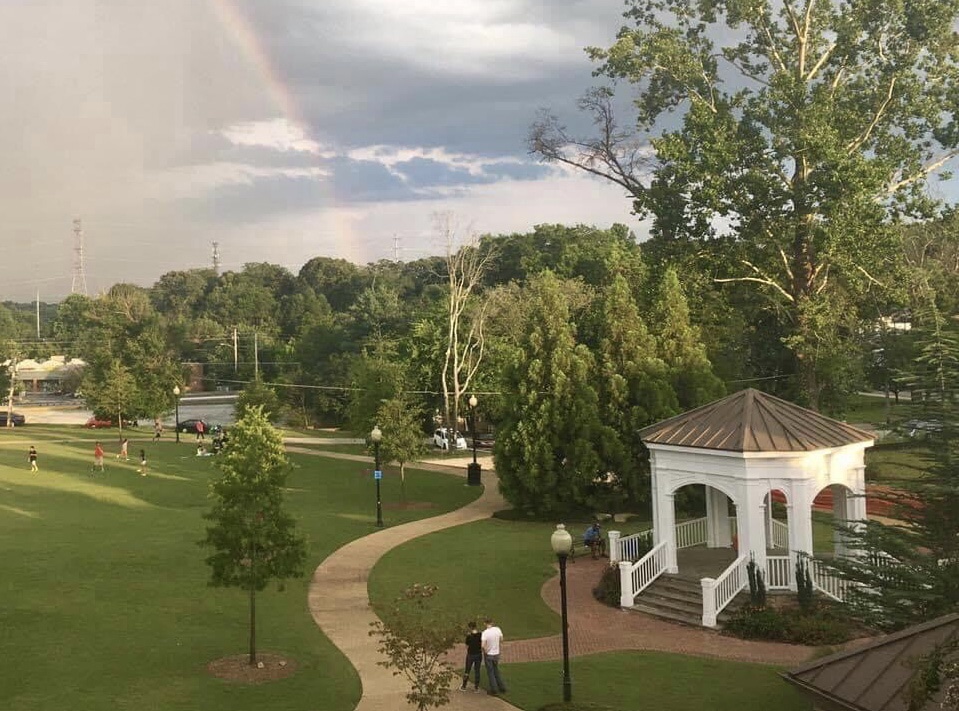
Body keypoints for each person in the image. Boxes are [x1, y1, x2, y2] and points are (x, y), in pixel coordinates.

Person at [481, 618, 506, 696]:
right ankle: (502, 687)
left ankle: (494, 689)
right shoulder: (497, 629)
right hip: (496, 654)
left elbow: (482, 645)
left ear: (485, 623)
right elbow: (502, 639)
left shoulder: (485, 633)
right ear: (492, 622)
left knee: (490, 672)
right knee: (496, 670)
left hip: (489, 655)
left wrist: (486, 651)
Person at [459, 621, 483, 692]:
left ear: (470, 627)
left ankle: (464, 686)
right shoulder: (480, 634)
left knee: (467, 670)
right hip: (478, 654)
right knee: (477, 670)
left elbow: (466, 646)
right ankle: (476, 687)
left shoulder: (469, 636)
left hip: (470, 655)